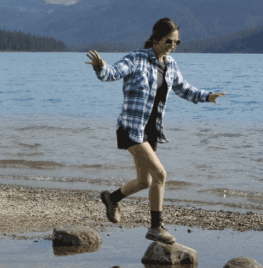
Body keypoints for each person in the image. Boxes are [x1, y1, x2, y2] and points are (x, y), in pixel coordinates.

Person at [86, 17, 225, 244]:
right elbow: (112, 72)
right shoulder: (136, 58)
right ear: (156, 38)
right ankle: (155, 227)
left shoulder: (170, 65)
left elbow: (184, 89)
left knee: (145, 182)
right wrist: (100, 67)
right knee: (160, 175)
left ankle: (111, 198)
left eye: (176, 43)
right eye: (169, 41)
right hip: (131, 129)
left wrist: (207, 96)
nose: (173, 46)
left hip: (152, 133)